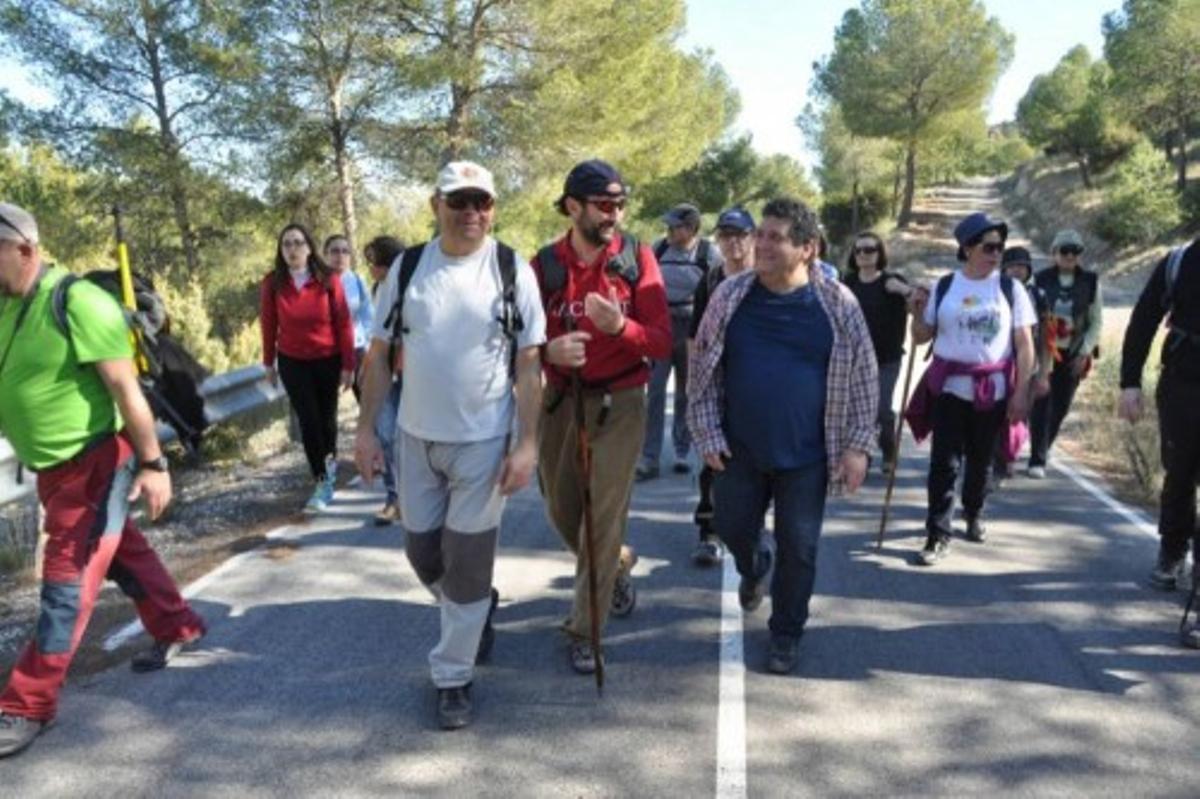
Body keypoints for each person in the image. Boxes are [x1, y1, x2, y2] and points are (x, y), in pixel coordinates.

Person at [0, 202, 206, 758]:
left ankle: (27, 703)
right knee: (119, 553)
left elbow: (125, 391)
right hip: (53, 473)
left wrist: (155, 465)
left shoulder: (79, 302)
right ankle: (178, 625)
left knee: (66, 585)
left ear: (24, 248)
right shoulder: (7, 305)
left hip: (95, 467)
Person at [354, 161, 545, 729]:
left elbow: (529, 363)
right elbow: (378, 354)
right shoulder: (410, 267)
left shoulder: (511, 269)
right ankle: (474, 608)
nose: (471, 213)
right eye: (458, 201)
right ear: (436, 205)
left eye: (481, 202)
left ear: (493, 208)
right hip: (416, 438)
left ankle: (452, 676)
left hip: (482, 443)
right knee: (422, 554)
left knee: (466, 560)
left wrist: (527, 443)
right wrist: (365, 430)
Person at [688, 197, 877, 674]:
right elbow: (703, 367)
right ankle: (755, 566)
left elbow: (864, 376)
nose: (763, 245)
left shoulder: (838, 304)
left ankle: (786, 633)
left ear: (807, 248)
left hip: (809, 455)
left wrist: (858, 447)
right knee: (731, 526)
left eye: (776, 238)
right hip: (739, 449)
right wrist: (706, 431)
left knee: (801, 547)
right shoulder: (730, 296)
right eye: (761, 235)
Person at [532, 159, 671, 674]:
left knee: (601, 517)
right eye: (604, 205)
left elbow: (661, 342)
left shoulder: (637, 258)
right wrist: (548, 351)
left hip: (622, 401)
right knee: (560, 509)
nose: (615, 214)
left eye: (620, 205)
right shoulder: (544, 265)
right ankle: (616, 561)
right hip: (560, 402)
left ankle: (585, 630)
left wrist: (621, 329)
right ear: (573, 207)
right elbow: (519, 340)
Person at [907, 212, 1036, 565]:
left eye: (1000, 248)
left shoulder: (1011, 289)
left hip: (993, 391)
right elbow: (922, 337)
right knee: (943, 464)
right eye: (989, 247)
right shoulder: (945, 286)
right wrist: (916, 314)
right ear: (967, 248)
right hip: (949, 389)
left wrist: (1021, 391)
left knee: (981, 461)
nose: (996, 254)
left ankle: (974, 511)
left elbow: (1024, 344)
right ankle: (937, 533)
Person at [1119, 236, 1200, 616]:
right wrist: (1130, 383)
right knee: (1180, 473)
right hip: (1183, 383)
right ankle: (1172, 550)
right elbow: (1143, 319)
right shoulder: (1179, 262)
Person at [260, 223, 354, 514]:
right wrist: (268, 363)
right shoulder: (273, 283)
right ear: (281, 250)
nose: (292, 249)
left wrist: (348, 365)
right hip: (292, 361)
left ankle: (330, 463)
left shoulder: (328, 279)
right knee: (309, 421)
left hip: (327, 358)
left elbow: (344, 323)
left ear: (310, 248)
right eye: (286, 244)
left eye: (298, 243)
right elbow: (268, 324)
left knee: (327, 420)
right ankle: (322, 481)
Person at [688, 206, 756, 567]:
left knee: (758, 460)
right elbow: (695, 336)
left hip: (758, 384)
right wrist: (694, 384)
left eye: (740, 235)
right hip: (718, 381)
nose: (733, 243)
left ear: (753, 238)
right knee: (713, 458)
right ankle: (709, 533)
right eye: (726, 236)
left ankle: (750, 528)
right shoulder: (711, 279)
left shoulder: (768, 276)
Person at [637, 203, 723, 481]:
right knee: (655, 391)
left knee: (687, 391)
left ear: (691, 228)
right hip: (662, 327)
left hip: (692, 330)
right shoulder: (659, 249)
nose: (670, 231)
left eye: (675, 226)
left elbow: (718, 291)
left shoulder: (709, 254)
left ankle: (682, 452)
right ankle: (649, 457)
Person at [1027, 229, 1102, 478]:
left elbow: (1096, 322)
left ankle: (1044, 446)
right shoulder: (1039, 279)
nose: (1070, 256)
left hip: (1073, 351)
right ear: (1054, 253)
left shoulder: (1091, 281)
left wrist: (1084, 352)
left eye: (1075, 251)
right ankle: (1037, 459)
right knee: (1041, 403)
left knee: (1061, 405)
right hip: (1045, 351)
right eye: (1065, 251)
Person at [842, 231, 911, 475]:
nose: (863, 254)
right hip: (855, 360)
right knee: (859, 411)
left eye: (869, 250)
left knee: (881, 409)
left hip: (887, 359)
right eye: (858, 250)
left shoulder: (892, 282)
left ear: (880, 253)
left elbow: (918, 304)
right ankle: (864, 455)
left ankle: (889, 449)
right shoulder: (847, 283)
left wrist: (905, 291)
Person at [992, 246, 1051, 482]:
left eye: (1022, 266)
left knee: (1020, 411)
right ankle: (997, 456)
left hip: (1027, 361)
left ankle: (1009, 455)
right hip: (999, 361)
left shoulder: (1039, 295)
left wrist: (1044, 371)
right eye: (1012, 266)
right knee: (997, 411)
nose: (1017, 270)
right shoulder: (994, 290)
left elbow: (1047, 335)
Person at [362, 235, 405, 525]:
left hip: (412, 374)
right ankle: (394, 498)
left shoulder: (413, 286)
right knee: (387, 435)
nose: (371, 269)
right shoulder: (377, 290)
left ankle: (415, 497)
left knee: (411, 438)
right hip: (383, 374)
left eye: (374, 262)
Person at [324, 234, 374, 402]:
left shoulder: (357, 280)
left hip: (356, 348)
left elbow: (368, 316)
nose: (340, 256)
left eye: (345, 251)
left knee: (367, 401)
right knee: (327, 404)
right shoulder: (318, 282)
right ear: (326, 255)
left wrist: (367, 346)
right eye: (335, 251)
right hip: (327, 351)